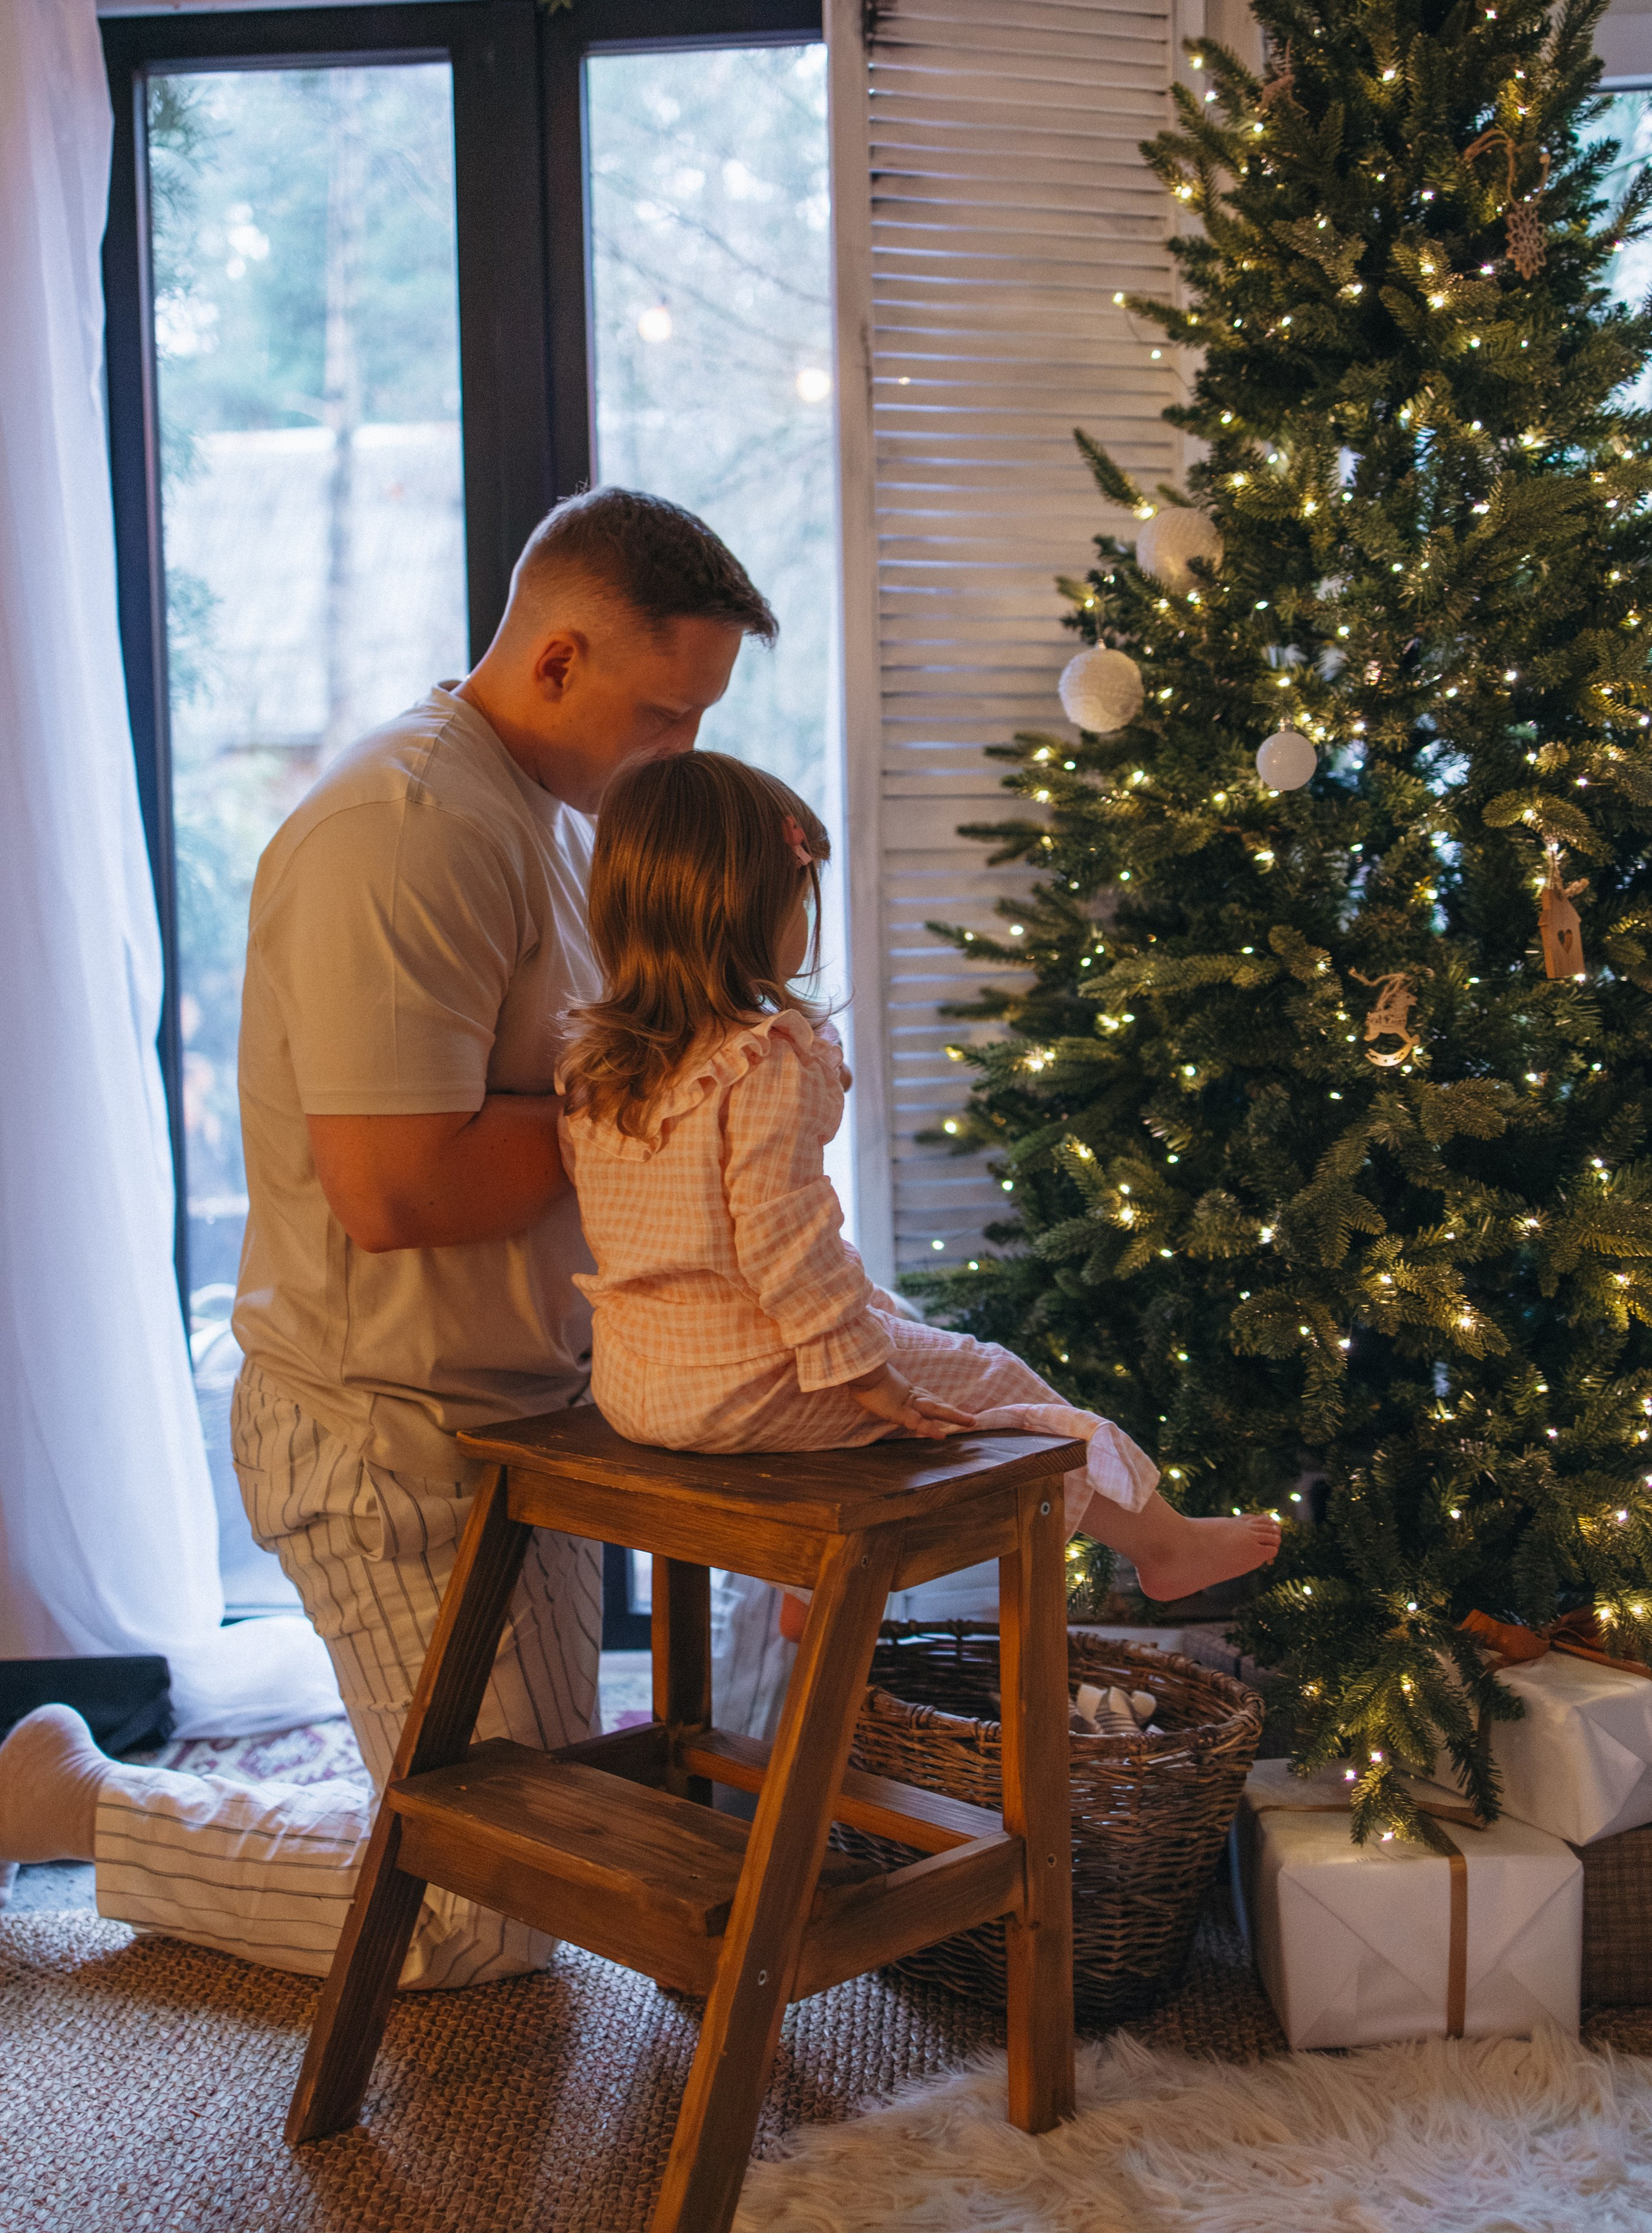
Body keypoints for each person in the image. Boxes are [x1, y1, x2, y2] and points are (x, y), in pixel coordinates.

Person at [0, 489, 779, 1984]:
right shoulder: (406, 830)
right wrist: (658, 1094)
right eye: (666, 714)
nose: (683, 755)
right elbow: (398, 1193)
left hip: (507, 1410)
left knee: (553, 1846)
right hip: (382, 1436)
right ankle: (82, 1805)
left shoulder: (547, 819)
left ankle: (188, 1802)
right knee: (494, 1915)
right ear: (555, 663)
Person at [557, 749, 1282, 1624]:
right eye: (800, 898)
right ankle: (1163, 1546)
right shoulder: (765, 1061)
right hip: (740, 1388)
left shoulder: (598, 1065)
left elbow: (695, 1246)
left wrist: (864, 1343)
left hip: (638, 1384)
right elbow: (785, 1245)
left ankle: (802, 1579)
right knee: (986, 1378)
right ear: (751, 910)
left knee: (886, 1311)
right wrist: (867, 1379)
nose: (805, 922)